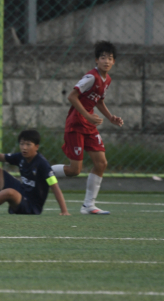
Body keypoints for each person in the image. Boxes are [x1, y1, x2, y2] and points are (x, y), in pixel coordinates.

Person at [51, 41, 123, 215]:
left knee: (101, 163)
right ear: (96, 60)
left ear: (114, 62)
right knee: (74, 170)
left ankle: (88, 205)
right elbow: (72, 96)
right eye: (103, 57)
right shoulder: (91, 77)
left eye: (110, 58)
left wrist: (110, 117)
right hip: (76, 124)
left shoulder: (107, 80)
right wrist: (88, 115)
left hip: (89, 125)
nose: (106, 61)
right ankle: (39, 170)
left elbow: (98, 100)